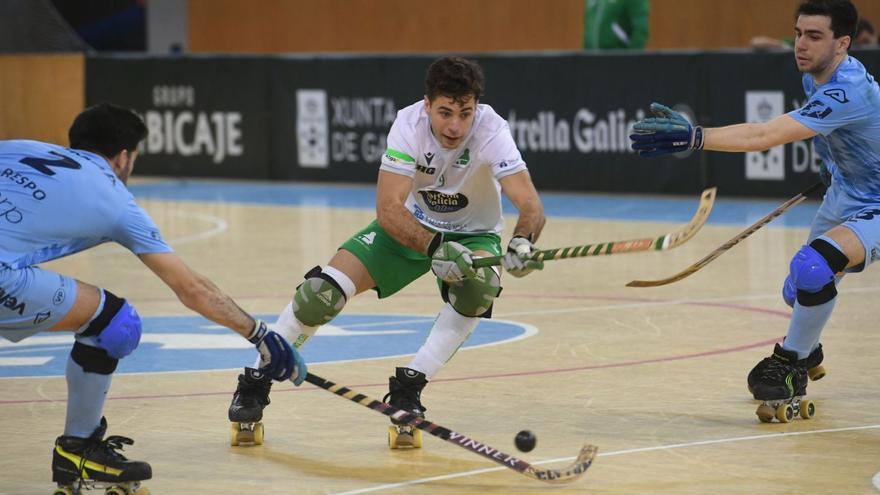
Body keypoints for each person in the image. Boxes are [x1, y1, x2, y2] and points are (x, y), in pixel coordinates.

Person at [226, 56, 546, 448]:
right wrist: (436, 247)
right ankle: (256, 381)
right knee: (318, 296)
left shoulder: (493, 129)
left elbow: (528, 202)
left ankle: (409, 386)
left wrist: (523, 240)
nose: (455, 126)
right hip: (409, 229)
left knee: (479, 291)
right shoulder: (408, 125)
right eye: (445, 112)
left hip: (474, 236)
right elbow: (388, 208)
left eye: (465, 113)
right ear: (427, 105)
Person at [0, 103, 307, 492]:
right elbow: (191, 289)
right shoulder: (115, 199)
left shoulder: (17, 147)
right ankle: (80, 449)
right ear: (125, 156)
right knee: (115, 324)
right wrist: (260, 334)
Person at [630, 0, 879, 419]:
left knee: (814, 268)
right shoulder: (818, 76)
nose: (800, 44)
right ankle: (808, 345)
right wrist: (834, 162)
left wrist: (697, 138)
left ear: (843, 43)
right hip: (848, 192)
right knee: (798, 287)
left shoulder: (847, 89)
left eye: (814, 36)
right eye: (798, 33)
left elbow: (763, 134)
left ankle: (790, 363)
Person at [583, 0, 650, 50]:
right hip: (591, 59)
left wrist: (632, 59)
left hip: (619, 60)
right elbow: (589, 28)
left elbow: (640, 29)